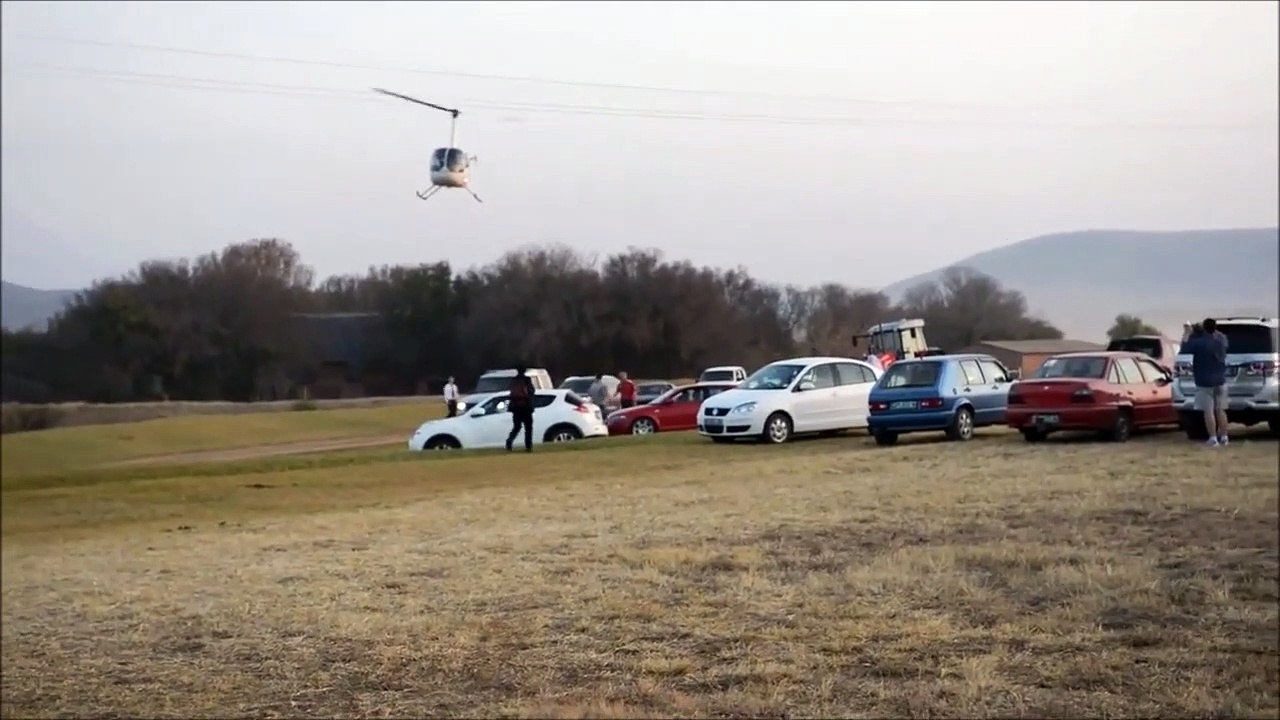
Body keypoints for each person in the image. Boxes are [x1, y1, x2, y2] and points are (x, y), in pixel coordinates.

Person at [1180, 318, 1230, 447]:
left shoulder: (1200, 343)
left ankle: (1213, 438)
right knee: (1221, 410)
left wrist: (1187, 332)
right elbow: (1218, 334)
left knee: (1208, 411)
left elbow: (1184, 347)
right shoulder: (1221, 341)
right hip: (1220, 380)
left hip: (1204, 381)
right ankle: (1224, 437)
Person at [505, 365, 537, 452]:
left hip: (516, 407)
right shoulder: (527, 380)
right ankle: (528, 446)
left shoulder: (514, 380)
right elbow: (532, 391)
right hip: (526, 407)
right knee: (528, 428)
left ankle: (509, 442)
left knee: (517, 427)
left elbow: (511, 393)